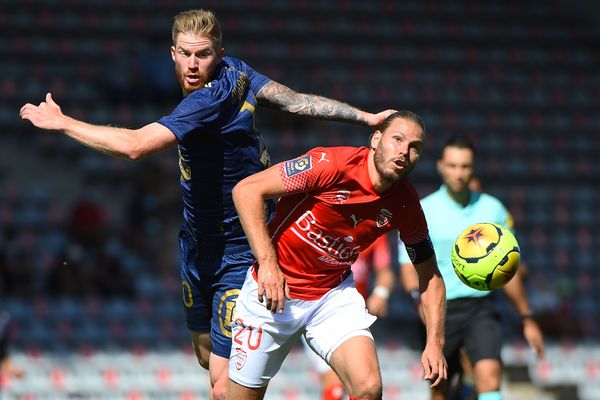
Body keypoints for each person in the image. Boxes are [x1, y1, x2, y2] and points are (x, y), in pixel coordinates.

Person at [19, 9, 396, 400]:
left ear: (218, 52)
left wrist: (65, 124)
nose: (194, 64)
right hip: (197, 247)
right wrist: (362, 116)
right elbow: (294, 101)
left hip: (240, 249)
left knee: (222, 384)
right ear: (172, 53)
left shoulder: (206, 101)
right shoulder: (239, 72)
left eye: (203, 54)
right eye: (185, 54)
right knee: (206, 357)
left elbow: (134, 147)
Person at [229, 111, 447, 400]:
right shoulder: (331, 165)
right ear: (376, 138)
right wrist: (268, 265)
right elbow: (247, 190)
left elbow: (430, 276)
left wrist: (434, 342)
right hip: (272, 292)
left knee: (368, 388)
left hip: (330, 297)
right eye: (398, 139)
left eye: (415, 147)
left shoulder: (406, 206)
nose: (404, 152)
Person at [398, 135, 545, 400]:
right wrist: (417, 302)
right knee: (441, 388)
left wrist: (527, 317)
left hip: (482, 308)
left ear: (474, 168)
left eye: (465, 166)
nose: (458, 173)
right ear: (441, 166)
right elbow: (408, 266)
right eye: (453, 166)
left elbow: (507, 271)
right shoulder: (423, 210)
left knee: (490, 377)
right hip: (439, 310)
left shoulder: (493, 210)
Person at [302, 234, 395, 400]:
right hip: (319, 312)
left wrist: (381, 293)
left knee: (361, 385)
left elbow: (385, 272)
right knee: (335, 384)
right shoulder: (323, 225)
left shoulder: (374, 232)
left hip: (352, 317)